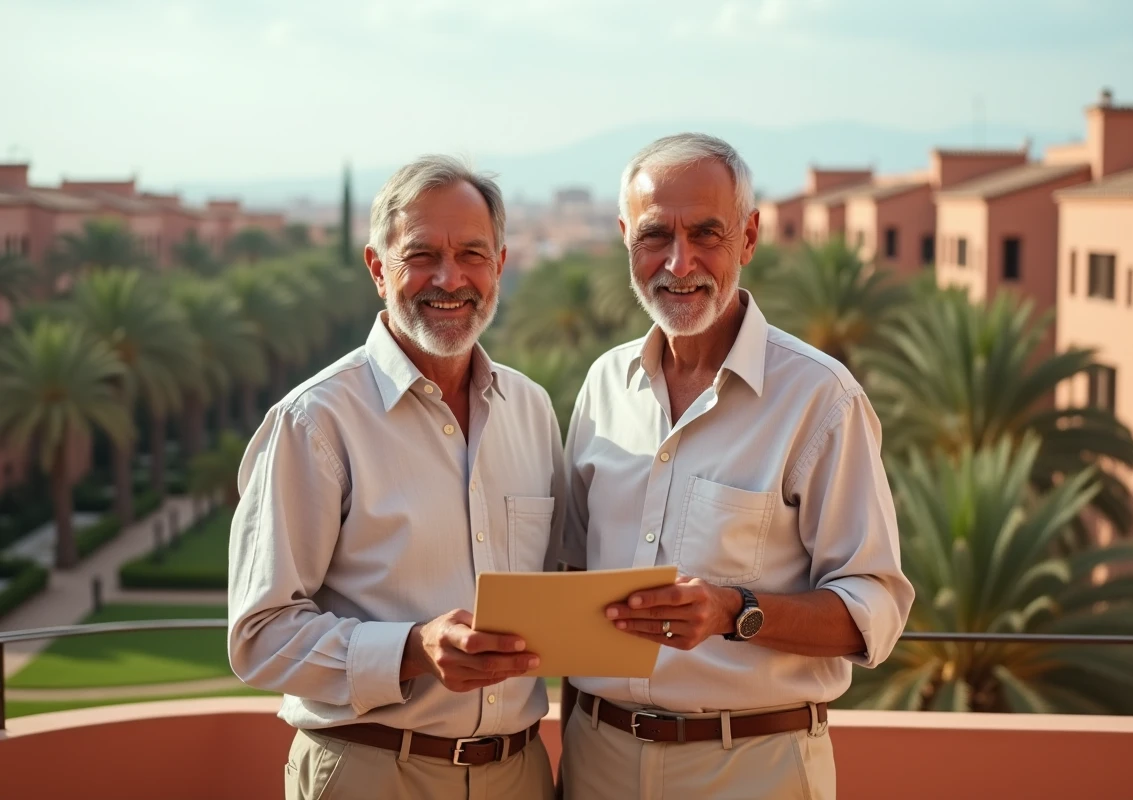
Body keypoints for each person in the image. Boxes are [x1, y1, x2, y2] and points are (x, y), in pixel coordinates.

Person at [556, 133, 914, 799]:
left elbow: (876, 608)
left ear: (748, 239)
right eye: (655, 235)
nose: (679, 261)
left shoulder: (819, 399)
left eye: (707, 234)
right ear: (625, 239)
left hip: (752, 770)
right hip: (595, 764)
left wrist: (733, 611)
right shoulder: (603, 386)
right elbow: (573, 576)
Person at [228, 155, 564, 800]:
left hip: (520, 775)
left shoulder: (532, 409)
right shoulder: (316, 420)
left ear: (499, 265)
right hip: (373, 773)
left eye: (472, 253)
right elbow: (259, 636)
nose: (450, 277)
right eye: (422, 255)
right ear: (378, 268)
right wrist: (412, 649)